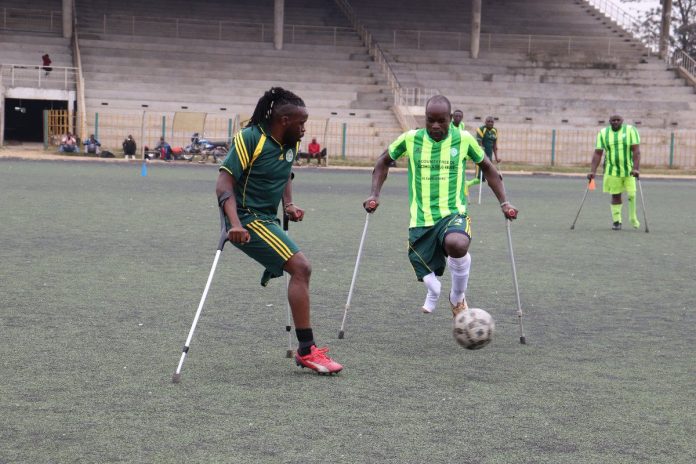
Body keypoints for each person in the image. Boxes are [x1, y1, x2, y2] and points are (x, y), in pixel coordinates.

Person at [216, 87, 342, 375]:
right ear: (284, 120)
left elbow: (285, 172)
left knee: (300, 269)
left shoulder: (290, 143)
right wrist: (233, 224)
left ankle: (306, 350)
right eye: (301, 123)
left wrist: (289, 204)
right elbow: (223, 185)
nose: (304, 129)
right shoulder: (251, 139)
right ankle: (307, 351)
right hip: (245, 218)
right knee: (302, 268)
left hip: (268, 219)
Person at [363, 95, 518, 316]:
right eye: (430, 120)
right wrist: (374, 194)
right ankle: (433, 290)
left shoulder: (463, 139)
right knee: (421, 263)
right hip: (421, 217)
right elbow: (382, 162)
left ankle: (457, 296)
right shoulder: (410, 139)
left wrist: (504, 202)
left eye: (441, 121)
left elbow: (489, 168)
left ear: (450, 119)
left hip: (453, 212)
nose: (435, 126)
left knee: (457, 243)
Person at [587, 114, 641, 230]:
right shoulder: (603, 133)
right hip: (612, 171)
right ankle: (617, 221)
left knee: (632, 194)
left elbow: (636, 151)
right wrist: (593, 171)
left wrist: (636, 168)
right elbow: (598, 153)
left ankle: (632, 217)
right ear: (609, 122)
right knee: (616, 195)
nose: (616, 122)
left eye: (618, 120)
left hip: (628, 170)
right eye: (613, 120)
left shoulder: (631, 130)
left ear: (622, 121)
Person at [469, 116, 501, 188]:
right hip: (480, 156)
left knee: (485, 177)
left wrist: (496, 158)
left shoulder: (495, 131)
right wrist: (484, 156)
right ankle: (467, 184)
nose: (490, 123)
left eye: (492, 122)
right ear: (485, 122)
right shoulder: (481, 129)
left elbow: (495, 145)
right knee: (479, 178)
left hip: (489, 156)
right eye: (488, 121)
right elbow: (479, 144)